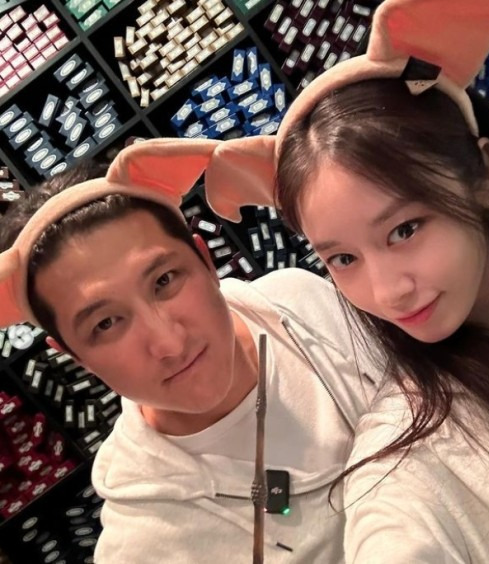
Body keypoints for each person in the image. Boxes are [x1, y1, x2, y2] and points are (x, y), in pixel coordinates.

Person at [203, 0, 489, 562]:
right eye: (342, 259)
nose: (387, 292)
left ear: (482, 174)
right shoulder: (410, 449)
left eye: (404, 230)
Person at [0, 139, 381, 563]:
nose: (169, 343)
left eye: (164, 281)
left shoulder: (300, 300)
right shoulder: (144, 548)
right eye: (106, 324)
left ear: (205, 260)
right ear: (75, 357)